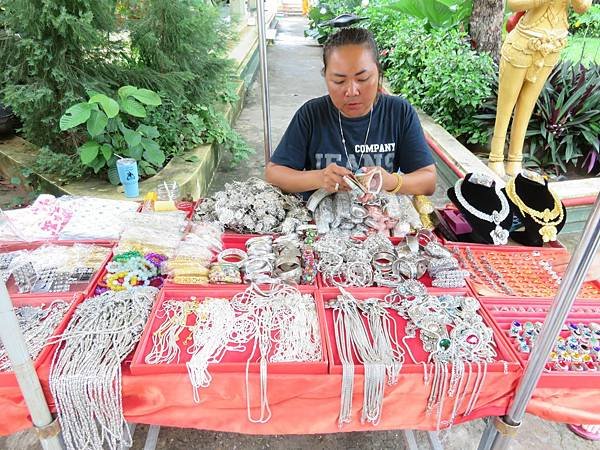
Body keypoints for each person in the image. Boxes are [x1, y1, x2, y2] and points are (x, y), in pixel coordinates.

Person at [265, 27, 436, 198]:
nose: (352, 91)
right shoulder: (311, 115)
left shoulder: (399, 112)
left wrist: (390, 181)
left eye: (363, 79)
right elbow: (274, 174)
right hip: (321, 219)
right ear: (326, 77)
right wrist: (319, 177)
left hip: (380, 219)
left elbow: (428, 181)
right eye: (339, 81)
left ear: (378, 73)